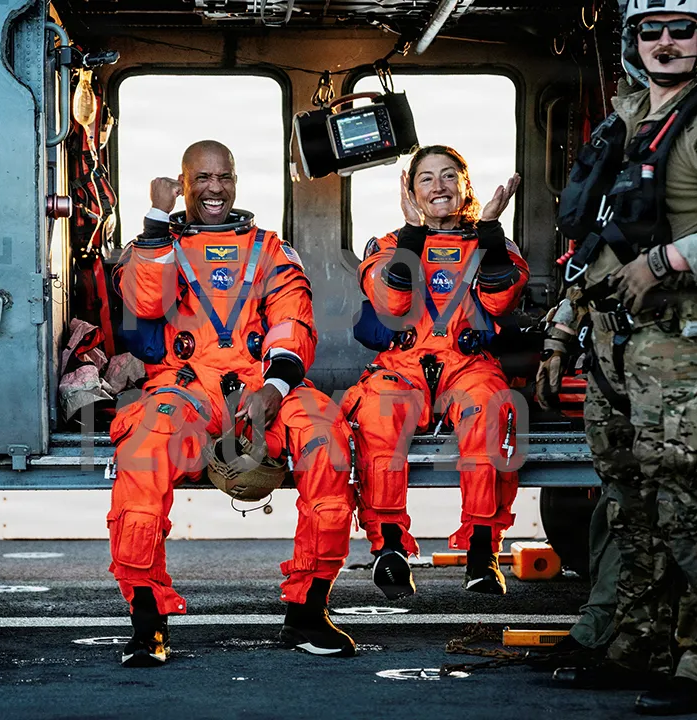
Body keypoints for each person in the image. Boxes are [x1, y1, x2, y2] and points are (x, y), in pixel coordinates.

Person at [542, 0, 697, 713]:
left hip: (681, 345)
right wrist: (565, 327)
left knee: (694, 507)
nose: (666, 42)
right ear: (632, 42)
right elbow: (598, 244)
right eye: (651, 31)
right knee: (632, 507)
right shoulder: (629, 125)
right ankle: (637, 644)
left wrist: (668, 259)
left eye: (682, 29)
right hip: (617, 348)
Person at [108, 140, 356, 667]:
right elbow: (146, 302)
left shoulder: (270, 249)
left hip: (260, 388)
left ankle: (309, 613)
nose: (214, 188)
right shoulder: (157, 245)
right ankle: (147, 621)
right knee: (143, 453)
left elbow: (293, 321)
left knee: (325, 437)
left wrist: (277, 386)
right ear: (183, 182)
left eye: (223, 177)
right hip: (185, 388)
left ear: (236, 180)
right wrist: (156, 221)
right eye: (201, 178)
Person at [342, 146, 528, 599]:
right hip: (403, 366)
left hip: (467, 366)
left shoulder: (492, 243)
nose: (439, 187)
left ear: (465, 186)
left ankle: (482, 550)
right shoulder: (387, 245)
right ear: (412, 192)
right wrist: (412, 233)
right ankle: (389, 548)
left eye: (449, 176)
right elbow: (391, 305)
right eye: (426, 179)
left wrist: (488, 229)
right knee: (377, 413)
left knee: (491, 406)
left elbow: (503, 300)